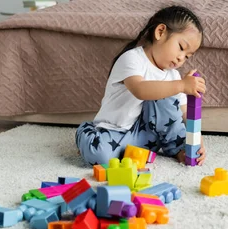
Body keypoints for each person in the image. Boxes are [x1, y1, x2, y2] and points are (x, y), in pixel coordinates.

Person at [75, 5, 206, 166]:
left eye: (187, 56)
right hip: (114, 130)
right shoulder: (131, 59)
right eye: (180, 48)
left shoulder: (173, 76)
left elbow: (185, 114)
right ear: (160, 32)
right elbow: (140, 90)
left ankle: (177, 149)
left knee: (169, 101)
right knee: (100, 158)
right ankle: (85, 133)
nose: (181, 59)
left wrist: (197, 140)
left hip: (146, 135)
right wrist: (181, 85)